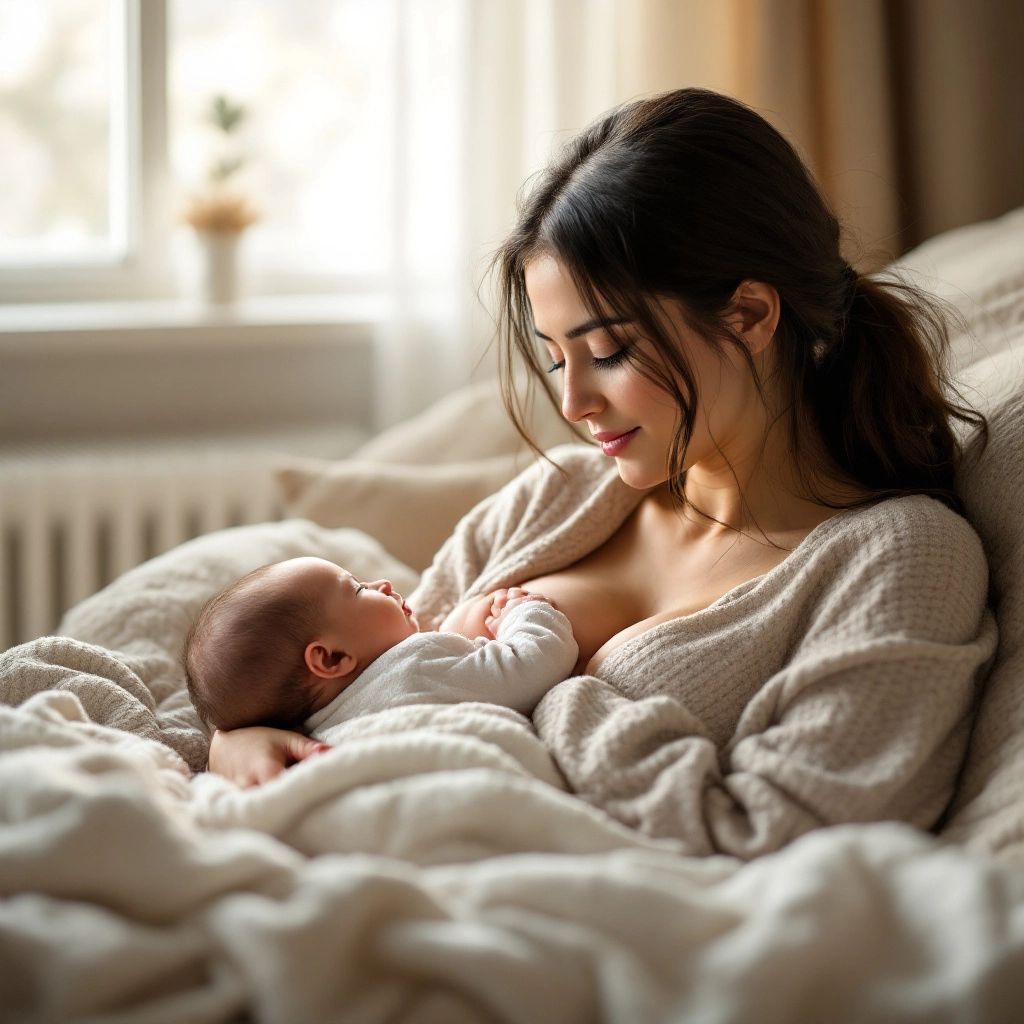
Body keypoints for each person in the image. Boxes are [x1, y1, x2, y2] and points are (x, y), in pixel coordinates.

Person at [207, 88, 997, 859]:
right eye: (556, 359)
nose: (575, 402)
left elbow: (790, 837)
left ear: (750, 314)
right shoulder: (555, 497)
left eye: (609, 351)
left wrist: (546, 689)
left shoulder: (902, 559)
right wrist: (237, 736)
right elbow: (359, 692)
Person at [184, 556, 577, 740]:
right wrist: (525, 614)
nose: (382, 584)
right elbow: (536, 662)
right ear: (332, 658)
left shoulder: (316, 727)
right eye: (357, 588)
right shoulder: (416, 664)